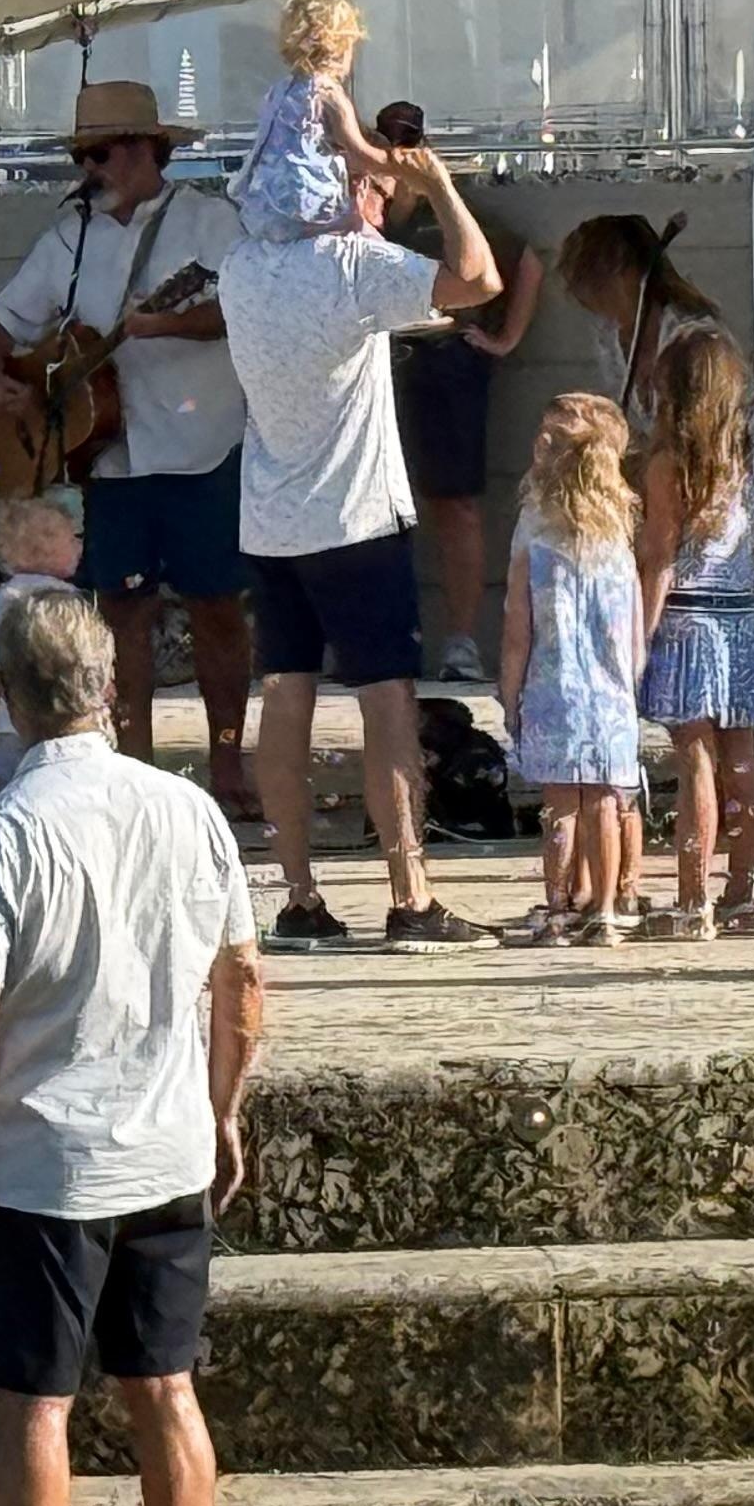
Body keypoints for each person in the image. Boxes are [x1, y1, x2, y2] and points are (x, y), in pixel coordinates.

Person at [0, 591, 266, 1506]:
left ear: (5, 701)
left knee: (35, 1405)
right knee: (167, 1389)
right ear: (109, 686)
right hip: (166, 1144)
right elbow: (243, 979)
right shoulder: (189, 811)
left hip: (43, 1157)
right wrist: (225, 1106)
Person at [225, 139, 508, 950]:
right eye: (376, 191)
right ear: (341, 195)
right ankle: (410, 893)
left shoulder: (242, 265)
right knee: (387, 700)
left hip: (271, 516)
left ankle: (299, 895)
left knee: (285, 696)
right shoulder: (353, 263)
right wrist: (445, 188)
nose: (385, 206)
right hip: (354, 516)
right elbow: (479, 280)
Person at [0, 81, 258, 817]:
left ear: (145, 148)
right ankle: (133, 764)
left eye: (103, 152)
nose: (93, 167)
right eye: (86, 155)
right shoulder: (69, 234)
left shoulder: (210, 219)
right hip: (112, 453)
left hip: (204, 443)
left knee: (216, 606)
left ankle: (229, 762)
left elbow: (243, 308)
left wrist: (165, 327)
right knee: (122, 612)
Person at [375, 98, 545, 687]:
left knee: (456, 504)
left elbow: (524, 261)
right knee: (377, 508)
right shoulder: (362, 209)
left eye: (408, 142)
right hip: (379, 364)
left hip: (447, 363)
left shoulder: (454, 210)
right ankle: (381, 637)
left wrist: (505, 339)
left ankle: (462, 639)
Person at [637, 323, 754, 934]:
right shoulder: (747, 455)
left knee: (693, 755)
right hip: (739, 617)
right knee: (741, 759)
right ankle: (741, 894)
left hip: (687, 617)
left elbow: (660, 555)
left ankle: (693, 899)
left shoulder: (669, 463)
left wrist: (638, 634)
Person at [501, 392, 649, 946]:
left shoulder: (534, 551)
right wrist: (629, 684)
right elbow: (634, 635)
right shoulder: (620, 551)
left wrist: (508, 691)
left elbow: (519, 632)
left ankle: (560, 909)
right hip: (610, 698)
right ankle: (607, 911)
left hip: (552, 690)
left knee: (560, 807)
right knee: (607, 804)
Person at [231, 0, 396, 241]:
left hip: (266, 207)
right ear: (340, 47)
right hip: (309, 207)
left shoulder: (279, 91)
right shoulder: (328, 93)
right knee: (369, 239)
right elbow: (359, 153)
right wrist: (397, 164)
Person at [555, 210, 733, 432]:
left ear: (631, 274)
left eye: (599, 286)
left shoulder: (695, 337)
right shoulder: (610, 338)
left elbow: (700, 433)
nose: (595, 303)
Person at [0, 492, 86, 793]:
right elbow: (84, 649)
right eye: (72, 539)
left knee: (7, 774)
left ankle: (0, 810)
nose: (79, 546)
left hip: (12, 711)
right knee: (58, 771)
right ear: (44, 549)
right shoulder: (66, 599)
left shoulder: (3, 596)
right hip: (61, 709)